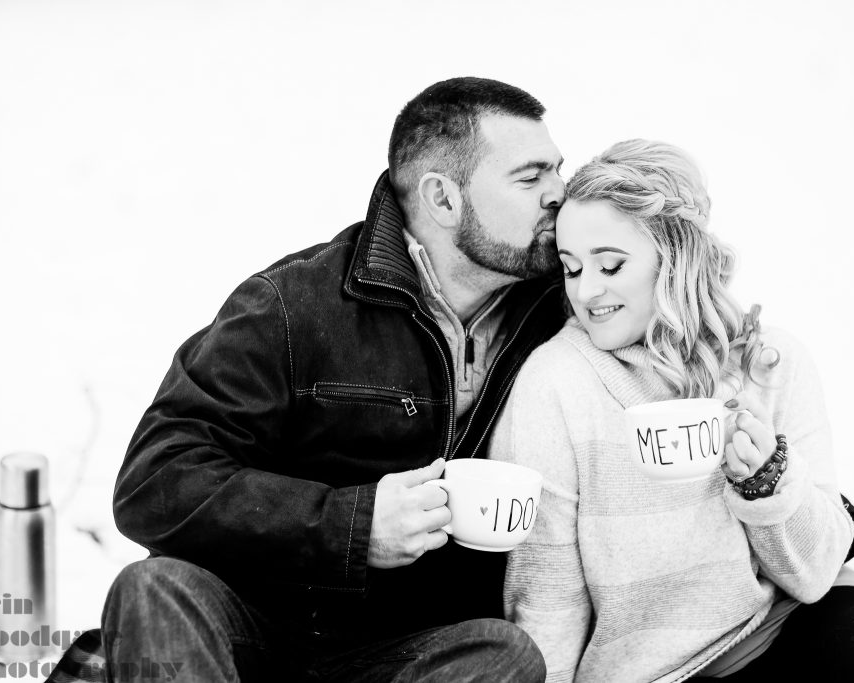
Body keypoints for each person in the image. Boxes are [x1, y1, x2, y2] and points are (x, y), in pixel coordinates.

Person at [100, 77, 568, 682]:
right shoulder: (291, 305)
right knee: (154, 587)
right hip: (252, 636)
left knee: (504, 653)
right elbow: (156, 483)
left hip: (406, 657)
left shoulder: (566, 311)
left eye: (558, 170)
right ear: (443, 199)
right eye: (530, 178)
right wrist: (352, 526)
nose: (559, 193)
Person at [491, 139, 854, 682]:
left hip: (791, 620)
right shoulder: (555, 383)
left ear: (675, 257)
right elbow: (547, 595)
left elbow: (815, 574)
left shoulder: (771, 361)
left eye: (611, 265)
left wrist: (765, 480)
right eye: (572, 269)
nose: (587, 290)